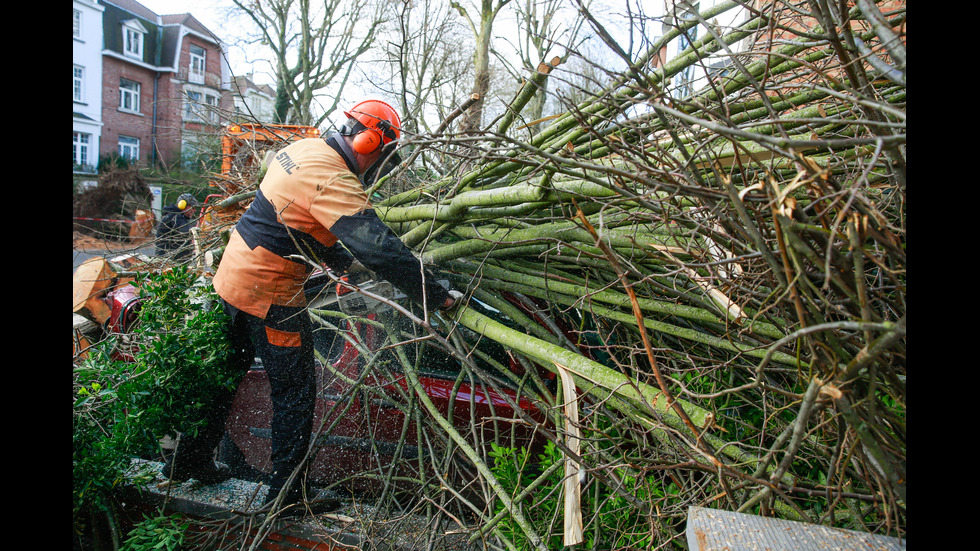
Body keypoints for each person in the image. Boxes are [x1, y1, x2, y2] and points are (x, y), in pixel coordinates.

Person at [161, 100, 461, 513]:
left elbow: (292, 218)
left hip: (231, 276)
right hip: (269, 295)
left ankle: (187, 459)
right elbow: (382, 251)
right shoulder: (332, 178)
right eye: (384, 154)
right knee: (295, 392)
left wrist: (339, 264)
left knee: (223, 376)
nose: (382, 164)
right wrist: (435, 294)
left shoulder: (304, 150)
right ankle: (286, 497)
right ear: (370, 140)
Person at [155, 193, 199, 260]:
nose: (194, 210)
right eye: (192, 207)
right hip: (170, 259)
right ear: (182, 205)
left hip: (167, 257)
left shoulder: (172, 216)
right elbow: (185, 230)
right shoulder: (176, 217)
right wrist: (196, 231)